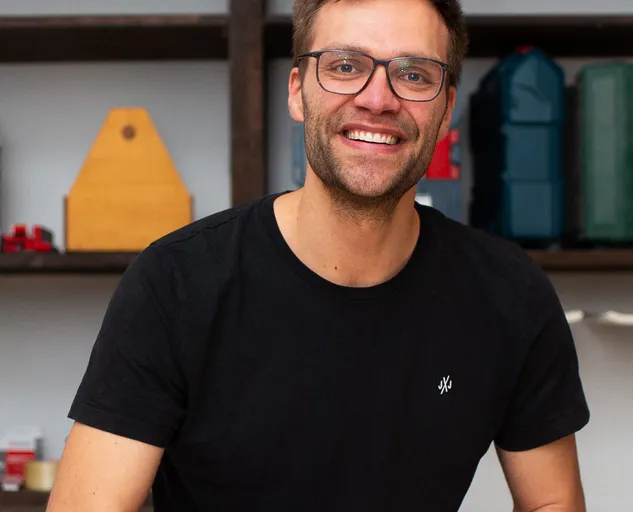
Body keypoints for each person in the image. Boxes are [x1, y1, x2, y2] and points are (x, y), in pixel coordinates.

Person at [47, 0, 590, 510]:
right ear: (297, 92)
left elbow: (551, 500)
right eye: (345, 66)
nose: (378, 99)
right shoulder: (176, 283)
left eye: (414, 74)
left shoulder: (510, 296)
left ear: (447, 108)